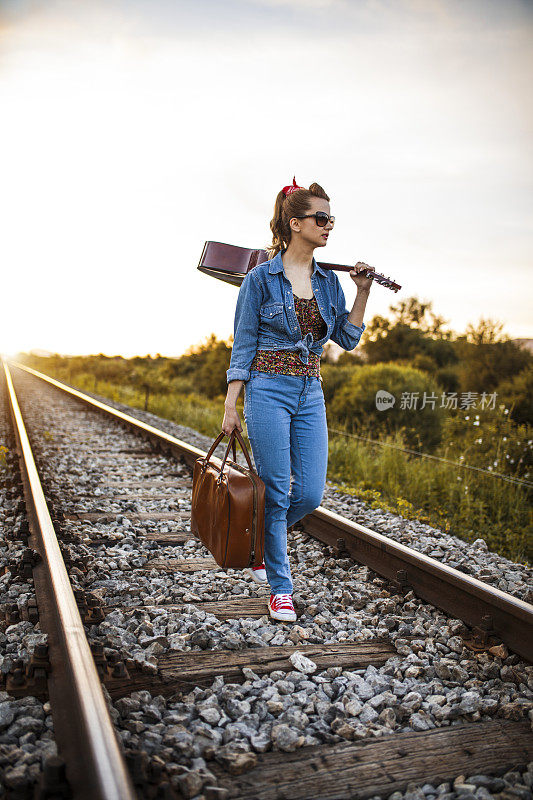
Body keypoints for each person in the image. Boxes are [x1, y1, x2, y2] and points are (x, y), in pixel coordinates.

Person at [222, 178, 374, 621]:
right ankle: (280, 588)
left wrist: (362, 291)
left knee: (307, 493)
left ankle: (260, 543)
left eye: (331, 219)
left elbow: (346, 337)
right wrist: (232, 404)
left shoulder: (329, 282)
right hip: (267, 389)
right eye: (320, 218)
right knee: (276, 492)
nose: (328, 226)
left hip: (310, 390)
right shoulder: (259, 280)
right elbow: (243, 344)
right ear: (295, 223)